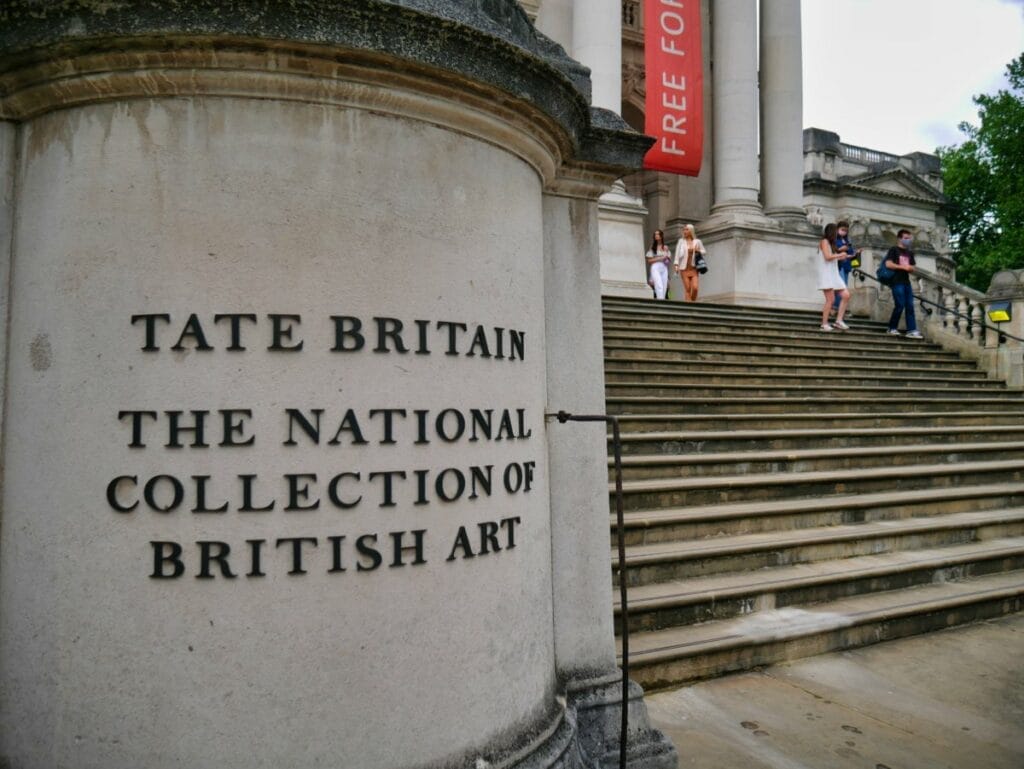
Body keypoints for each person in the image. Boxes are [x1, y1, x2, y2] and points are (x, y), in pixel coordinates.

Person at [884, 229, 923, 338]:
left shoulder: (909, 252)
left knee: (910, 306)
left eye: (909, 238)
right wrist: (902, 267)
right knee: (900, 305)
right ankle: (892, 328)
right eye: (906, 238)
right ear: (900, 238)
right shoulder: (894, 250)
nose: (908, 240)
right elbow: (888, 264)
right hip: (896, 281)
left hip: (906, 282)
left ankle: (911, 330)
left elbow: (913, 267)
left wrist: (910, 268)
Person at [817, 223, 850, 331]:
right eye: (836, 232)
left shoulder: (832, 244)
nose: (838, 234)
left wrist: (846, 256)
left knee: (846, 295)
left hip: (833, 273)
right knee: (830, 300)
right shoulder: (824, 241)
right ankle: (824, 323)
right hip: (827, 274)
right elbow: (827, 257)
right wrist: (840, 255)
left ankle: (838, 321)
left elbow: (833, 258)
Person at [832, 220, 859, 314]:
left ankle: (839, 307)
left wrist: (856, 253)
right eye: (842, 229)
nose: (844, 232)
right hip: (838, 265)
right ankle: (835, 306)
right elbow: (832, 251)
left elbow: (850, 254)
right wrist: (840, 249)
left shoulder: (847, 240)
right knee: (841, 287)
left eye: (846, 230)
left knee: (844, 287)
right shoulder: (835, 239)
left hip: (846, 266)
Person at [674, 224, 706, 302]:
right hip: (684, 269)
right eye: (684, 230)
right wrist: (676, 265)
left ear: (691, 231)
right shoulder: (681, 241)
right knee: (687, 288)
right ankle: (688, 306)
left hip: (694, 268)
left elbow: (704, 251)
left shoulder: (697, 241)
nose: (684, 231)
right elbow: (677, 254)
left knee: (695, 288)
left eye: (686, 229)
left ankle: (692, 302)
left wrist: (697, 250)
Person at [645, 229, 672, 300]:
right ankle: (660, 300)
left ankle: (662, 300)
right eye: (655, 234)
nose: (656, 236)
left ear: (661, 236)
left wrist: (666, 256)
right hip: (655, 267)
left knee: (664, 285)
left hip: (664, 267)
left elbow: (668, 262)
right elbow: (649, 260)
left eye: (658, 234)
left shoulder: (665, 247)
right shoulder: (652, 247)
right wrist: (660, 258)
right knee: (659, 285)